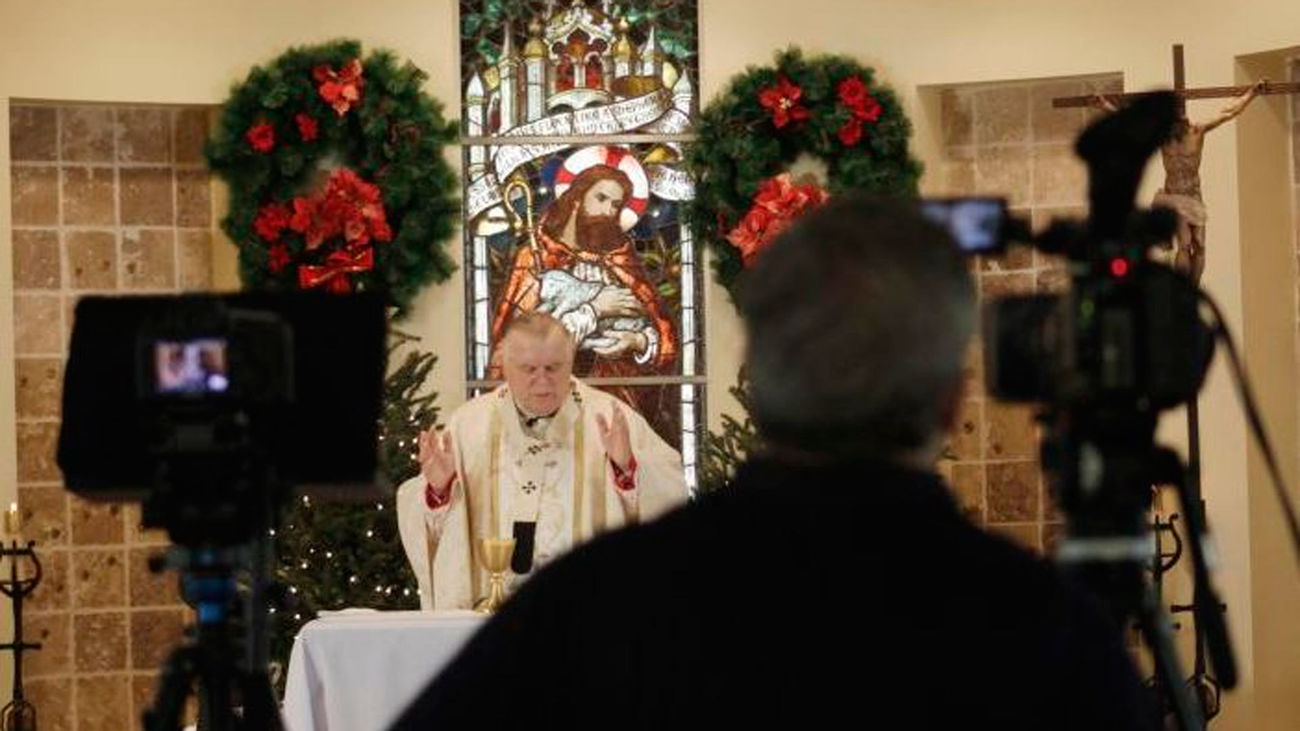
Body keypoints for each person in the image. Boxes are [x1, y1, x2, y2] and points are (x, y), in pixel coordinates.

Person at [391, 196, 1155, 730]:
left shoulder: (588, 605)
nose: (542, 383)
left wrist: (627, 473)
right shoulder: (1038, 628)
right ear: (955, 400)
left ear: (760, 375)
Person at [395, 312, 687, 610]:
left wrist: (627, 469)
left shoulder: (612, 418)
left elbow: (670, 501)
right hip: (492, 621)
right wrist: (439, 490)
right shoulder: (468, 426)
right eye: (529, 369)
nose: (543, 381)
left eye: (553, 368)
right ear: (504, 366)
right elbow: (427, 528)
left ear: (571, 361)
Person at [490, 148, 678, 382]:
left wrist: (637, 341)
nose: (608, 212)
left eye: (616, 205)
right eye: (601, 198)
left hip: (618, 398)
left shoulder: (621, 259)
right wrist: (596, 308)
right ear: (576, 198)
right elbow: (516, 344)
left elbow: (662, 333)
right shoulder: (534, 257)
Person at [1095, 80, 1267, 283]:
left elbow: (1228, 112)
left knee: (1200, 247)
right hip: (1173, 196)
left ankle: (1192, 288)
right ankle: (1182, 285)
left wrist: (1252, 94)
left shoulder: (1197, 131)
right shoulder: (1163, 136)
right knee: (1184, 244)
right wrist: (1104, 106)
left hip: (1194, 196)